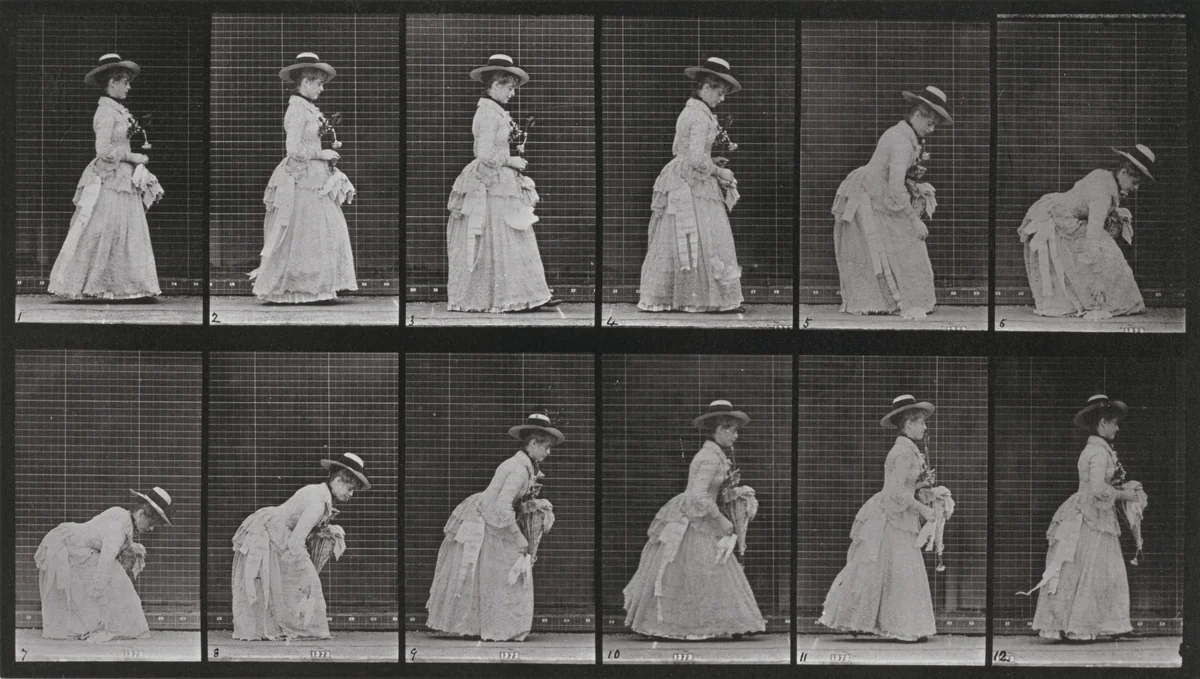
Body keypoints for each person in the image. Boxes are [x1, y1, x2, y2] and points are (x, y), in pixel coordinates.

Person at [623, 400, 766, 639]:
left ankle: (717, 621)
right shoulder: (709, 458)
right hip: (693, 517)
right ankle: (688, 624)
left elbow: (707, 492)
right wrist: (721, 520)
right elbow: (698, 495)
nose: (736, 436)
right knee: (699, 567)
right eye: (733, 431)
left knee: (705, 568)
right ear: (720, 429)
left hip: (699, 513)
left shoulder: (715, 454)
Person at [425, 413, 562, 640]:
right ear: (533, 443)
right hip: (484, 521)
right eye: (546, 447)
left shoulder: (525, 465)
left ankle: (501, 626)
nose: (549, 452)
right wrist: (519, 538)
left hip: (493, 519)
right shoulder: (518, 469)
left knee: (498, 572)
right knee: (502, 570)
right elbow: (501, 507)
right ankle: (500, 627)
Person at [446, 54, 561, 313]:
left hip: (500, 181)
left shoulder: (496, 112)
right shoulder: (488, 114)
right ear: (496, 85)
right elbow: (484, 155)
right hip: (489, 182)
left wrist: (511, 155)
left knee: (510, 234)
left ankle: (525, 293)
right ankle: (506, 296)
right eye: (509, 88)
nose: (513, 94)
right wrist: (510, 161)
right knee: (499, 234)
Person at [818, 395, 938, 641]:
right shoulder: (903, 452)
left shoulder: (909, 450)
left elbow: (903, 486)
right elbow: (895, 492)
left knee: (893, 569)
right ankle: (900, 626)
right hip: (890, 517)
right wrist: (922, 509)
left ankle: (899, 624)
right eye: (921, 423)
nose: (925, 428)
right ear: (908, 424)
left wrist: (922, 484)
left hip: (897, 515)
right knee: (893, 568)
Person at [48, 54, 163, 301]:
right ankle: (91, 284)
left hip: (121, 176)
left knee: (124, 227)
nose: (129, 87)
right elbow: (103, 150)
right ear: (113, 82)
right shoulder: (105, 112)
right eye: (126, 83)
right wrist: (132, 157)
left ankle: (122, 284)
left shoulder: (118, 110)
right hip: (110, 176)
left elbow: (119, 140)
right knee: (104, 227)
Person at [1024, 395, 1139, 640]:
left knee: (1098, 569)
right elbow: (1097, 489)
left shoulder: (1098, 449)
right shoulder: (1097, 453)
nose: (1117, 428)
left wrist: (1117, 485)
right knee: (1095, 569)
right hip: (1090, 515)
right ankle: (1082, 626)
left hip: (1093, 513)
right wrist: (1124, 494)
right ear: (1103, 423)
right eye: (1115, 423)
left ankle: (1100, 624)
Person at [832, 86, 953, 320]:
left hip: (883, 195)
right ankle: (893, 300)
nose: (932, 129)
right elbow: (895, 188)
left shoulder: (906, 135)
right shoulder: (901, 141)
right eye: (930, 123)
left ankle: (901, 299)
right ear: (918, 115)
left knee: (904, 247)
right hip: (871, 198)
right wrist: (914, 220)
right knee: (902, 242)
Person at [638, 58, 746, 314]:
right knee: (696, 234)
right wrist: (719, 170)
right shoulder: (699, 116)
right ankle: (696, 298)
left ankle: (684, 296)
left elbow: (680, 150)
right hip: (691, 183)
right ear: (707, 86)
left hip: (683, 176)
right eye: (720, 93)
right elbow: (695, 158)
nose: (722, 99)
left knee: (688, 237)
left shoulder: (691, 111)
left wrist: (711, 160)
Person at [250, 52, 358, 304]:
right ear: (306, 82)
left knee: (317, 229)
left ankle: (317, 287)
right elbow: (292, 149)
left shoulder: (309, 108)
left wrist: (324, 157)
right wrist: (321, 153)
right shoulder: (296, 109)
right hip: (300, 176)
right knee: (304, 228)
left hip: (314, 175)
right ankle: (296, 288)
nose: (321, 88)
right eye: (318, 83)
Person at [231, 452, 370, 640]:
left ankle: (284, 626)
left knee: (279, 581)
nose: (351, 495)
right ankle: (299, 628)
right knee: (304, 582)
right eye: (350, 488)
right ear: (338, 481)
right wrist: (306, 569)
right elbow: (296, 541)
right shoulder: (318, 502)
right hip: (269, 532)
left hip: (276, 530)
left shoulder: (319, 493)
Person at [1018, 146, 1154, 319]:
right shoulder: (1102, 192)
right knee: (1103, 251)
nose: (1136, 188)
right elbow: (1093, 234)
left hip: (1067, 218)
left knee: (1104, 251)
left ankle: (1098, 300)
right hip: (1057, 221)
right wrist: (1098, 278)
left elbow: (1086, 202)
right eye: (1135, 182)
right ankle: (1096, 301)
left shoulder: (1104, 176)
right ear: (1124, 172)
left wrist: (1113, 212)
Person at [35, 487, 175, 641]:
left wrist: (129, 548)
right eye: (152, 523)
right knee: (114, 582)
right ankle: (100, 626)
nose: (151, 528)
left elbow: (104, 537)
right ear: (141, 513)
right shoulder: (118, 528)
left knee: (112, 581)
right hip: (68, 546)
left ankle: (95, 625)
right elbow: (104, 567)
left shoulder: (122, 515)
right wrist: (104, 608)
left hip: (82, 547)